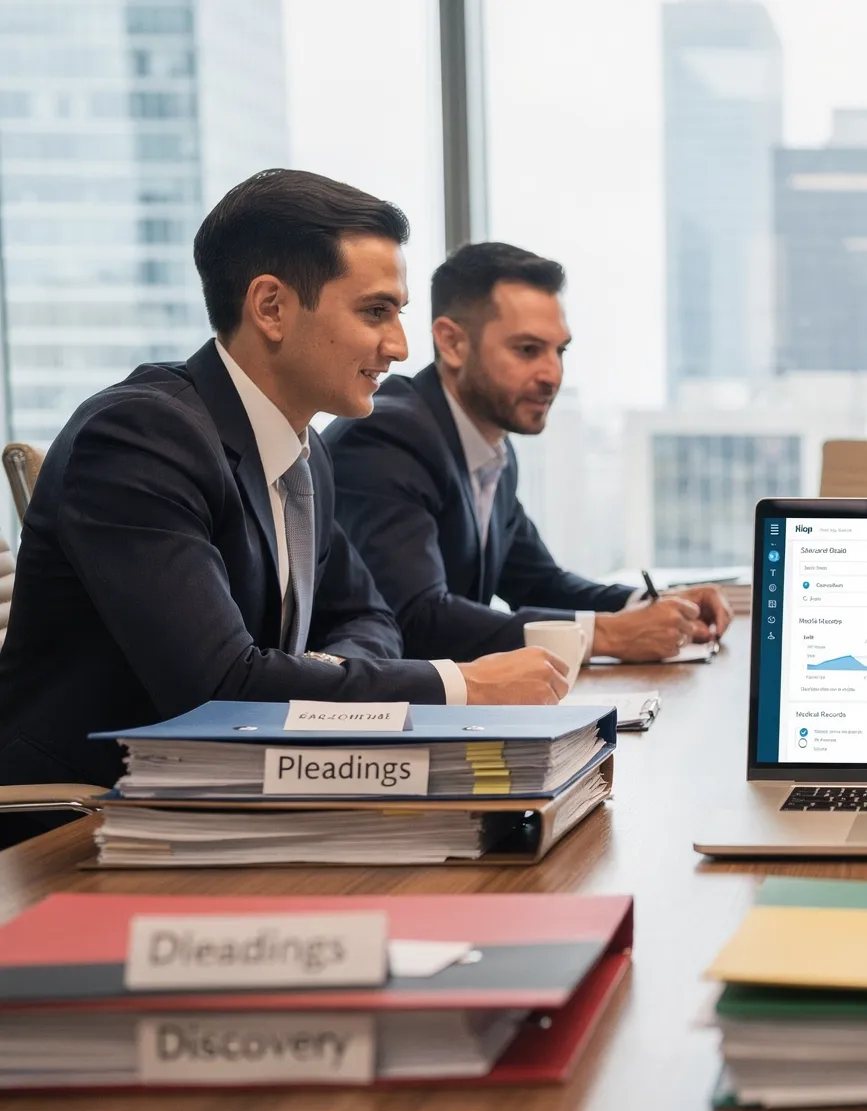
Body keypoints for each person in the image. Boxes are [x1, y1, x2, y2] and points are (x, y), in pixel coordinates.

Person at [0, 170, 567, 841]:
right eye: (375, 312)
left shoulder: (304, 451)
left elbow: (367, 614)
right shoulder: (139, 438)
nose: (400, 347)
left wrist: (313, 675)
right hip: (81, 829)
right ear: (270, 307)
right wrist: (461, 686)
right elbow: (220, 687)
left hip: (235, 804)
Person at [324, 242, 729, 663]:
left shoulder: (491, 447)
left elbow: (538, 583)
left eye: (560, 351)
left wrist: (653, 604)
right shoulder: (387, 437)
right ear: (452, 342)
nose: (553, 374)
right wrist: (604, 635)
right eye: (527, 350)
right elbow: (417, 620)